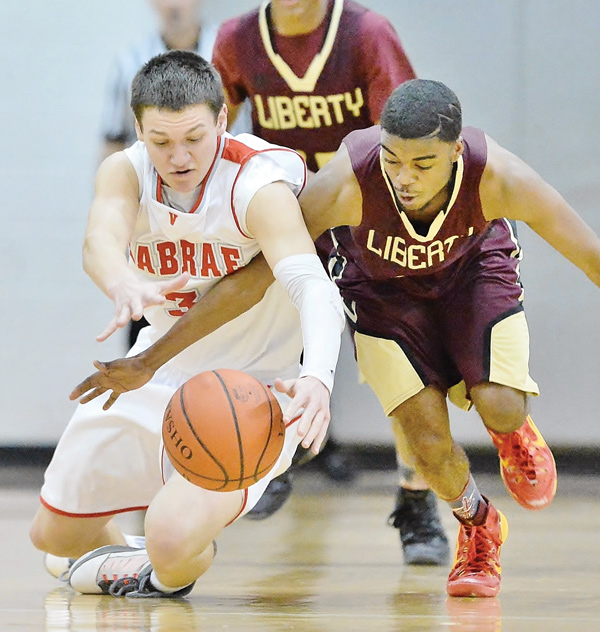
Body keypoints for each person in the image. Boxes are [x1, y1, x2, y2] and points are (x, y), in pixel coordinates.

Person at [73, 77, 600, 598]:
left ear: (456, 152)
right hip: (380, 291)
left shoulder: (499, 177)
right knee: (427, 441)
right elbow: (253, 279)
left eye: (423, 165)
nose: (404, 178)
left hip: (473, 273)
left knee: (500, 403)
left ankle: (512, 433)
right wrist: (151, 358)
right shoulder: (351, 182)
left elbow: (586, 252)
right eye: (393, 160)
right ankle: (478, 524)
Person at [30, 50, 345, 599]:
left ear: (223, 120)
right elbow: (98, 241)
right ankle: (129, 560)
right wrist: (120, 281)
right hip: (154, 369)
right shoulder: (125, 170)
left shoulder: (257, 184)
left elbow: (311, 285)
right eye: (161, 141)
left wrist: (318, 375)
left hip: (251, 390)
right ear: (139, 130)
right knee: (53, 536)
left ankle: (162, 569)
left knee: (172, 544)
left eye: (194, 138)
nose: (178, 156)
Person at [211, 0, 448, 564]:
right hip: (293, 224)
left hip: (371, 224)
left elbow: (410, 137)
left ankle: (417, 501)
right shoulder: (236, 39)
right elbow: (207, 131)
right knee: (252, 341)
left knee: (406, 372)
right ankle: (272, 458)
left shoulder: (366, 33)